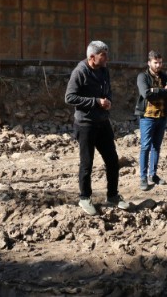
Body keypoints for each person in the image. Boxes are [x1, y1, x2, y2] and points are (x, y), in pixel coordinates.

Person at [65, 40, 130, 216]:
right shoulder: (80, 72)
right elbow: (69, 97)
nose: (107, 58)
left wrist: (107, 100)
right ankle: (84, 197)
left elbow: (107, 90)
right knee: (87, 163)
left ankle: (113, 196)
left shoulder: (104, 70)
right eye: (103, 55)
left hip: (103, 122)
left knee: (112, 160)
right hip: (85, 124)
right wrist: (95, 102)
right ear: (92, 57)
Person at [134, 50, 167, 191]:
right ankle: (143, 178)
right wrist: (162, 90)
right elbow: (146, 94)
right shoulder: (142, 77)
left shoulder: (164, 76)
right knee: (145, 147)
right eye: (155, 62)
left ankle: (153, 175)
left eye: (160, 62)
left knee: (156, 147)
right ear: (149, 63)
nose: (158, 65)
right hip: (147, 117)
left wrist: (155, 90)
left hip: (161, 116)